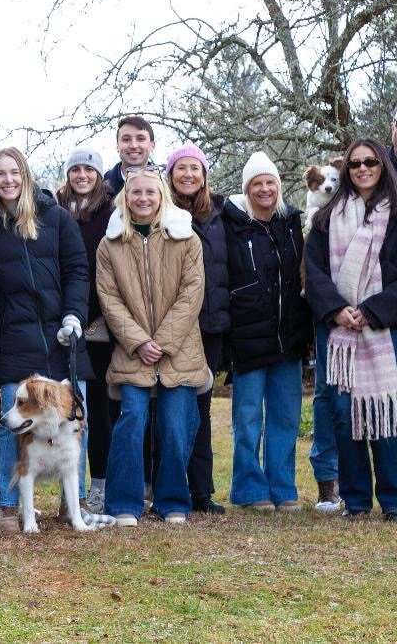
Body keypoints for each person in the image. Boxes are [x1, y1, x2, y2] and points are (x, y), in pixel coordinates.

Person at [304, 138, 397, 521]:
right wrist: (338, 310)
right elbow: (314, 270)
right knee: (342, 410)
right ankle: (355, 500)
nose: (362, 168)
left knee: (385, 408)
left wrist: (372, 311)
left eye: (370, 161)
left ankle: (394, 500)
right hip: (337, 329)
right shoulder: (326, 220)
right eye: (355, 163)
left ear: (382, 165)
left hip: (385, 327)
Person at [0, 146, 94, 532]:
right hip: (14, 338)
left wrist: (74, 314)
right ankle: (9, 507)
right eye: (0, 174)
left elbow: (78, 270)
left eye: (15, 172)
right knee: (9, 421)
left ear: (26, 175)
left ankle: (73, 503)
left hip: (61, 335)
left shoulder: (57, 218)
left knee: (75, 417)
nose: (9, 180)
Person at [96, 166, 209, 527]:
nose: (143, 198)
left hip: (179, 352)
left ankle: (172, 500)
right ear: (124, 199)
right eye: (135, 193)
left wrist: (162, 341)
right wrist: (139, 342)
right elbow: (109, 299)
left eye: (150, 192)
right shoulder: (109, 244)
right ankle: (124, 503)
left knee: (175, 427)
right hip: (133, 354)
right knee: (131, 422)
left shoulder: (186, 238)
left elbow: (192, 293)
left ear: (162, 196)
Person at [223, 151, 311, 512]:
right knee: (247, 420)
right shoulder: (231, 225)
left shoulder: (291, 223)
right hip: (247, 339)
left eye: (269, 182)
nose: (264, 189)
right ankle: (248, 489)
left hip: (287, 337)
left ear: (278, 186)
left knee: (285, 418)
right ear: (246, 189)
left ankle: (282, 486)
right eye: (256, 184)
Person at [166, 144, 229, 515]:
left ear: (204, 174)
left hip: (211, 325)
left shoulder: (221, 213)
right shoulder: (160, 211)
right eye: (181, 168)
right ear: (171, 174)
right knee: (171, 408)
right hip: (173, 325)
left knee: (201, 407)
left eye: (195, 168)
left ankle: (201, 491)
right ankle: (166, 485)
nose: (188, 175)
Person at [55, 146, 117, 514]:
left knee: (97, 406)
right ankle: (67, 489)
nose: (82, 175)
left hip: (99, 322)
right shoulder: (56, 209)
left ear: (98, 175)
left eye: (89, 170)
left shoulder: (110, 212)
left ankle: (97, 486)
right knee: (63, 406)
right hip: (63, 319)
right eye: (75, 169)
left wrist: (95, 314)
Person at [103, 115, 156, 195]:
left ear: (152, 145)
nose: (133, 146)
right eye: (126, 139)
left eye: (140, 139)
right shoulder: (100, 187)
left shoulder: (165, 187)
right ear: (117, 146)